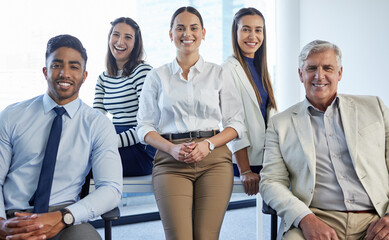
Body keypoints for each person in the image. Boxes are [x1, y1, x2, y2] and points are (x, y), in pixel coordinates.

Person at [259, 40, 389, 240]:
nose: (319, 76)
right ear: (301, 74)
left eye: (327, 68)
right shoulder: (280, 124)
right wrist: (305, 219)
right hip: (316, 217)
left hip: (375, 216)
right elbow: (270, 181)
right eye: (311, 68)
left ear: (339, 73)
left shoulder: (375, 108)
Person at [136, 6, 246, 240]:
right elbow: (144, 127)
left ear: (203, 33)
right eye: (180, 28)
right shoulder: (157, 76)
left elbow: (236, 123)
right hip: (170, 161)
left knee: (206, 236)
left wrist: (208, 144)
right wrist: (171, 148)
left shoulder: (219, 73)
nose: (187, 33)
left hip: (214, 160)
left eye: (194, 28)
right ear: (170, 34)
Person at [0, 34, 123, 240]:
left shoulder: (98, 125)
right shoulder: (11, 116)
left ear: (84, 76)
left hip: (64, 219)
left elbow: (111, 188)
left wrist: (64, 217)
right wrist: (1, 223)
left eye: (74, 67)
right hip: (13, 216)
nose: (65, 73)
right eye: (57, 65)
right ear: (45, 71)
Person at [222, 7, 277, 196]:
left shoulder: (261, 69)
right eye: (246, 29)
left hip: (267, 157)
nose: (252, 36)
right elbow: (232, 122)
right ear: (235, 32)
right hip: (247, 161)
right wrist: (245, 170)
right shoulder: (228, 70)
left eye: (258, 30)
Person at [93, 17, 155, 177]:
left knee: (81, 164)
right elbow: (96, 119)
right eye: (116, 35)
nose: (120, 42)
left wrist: (110, 142)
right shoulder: (103, 78)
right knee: (74, 157)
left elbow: (148, 123)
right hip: (113, 140)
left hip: (140, 146)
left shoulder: (142, 72)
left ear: (136, 44)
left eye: (128, 37)